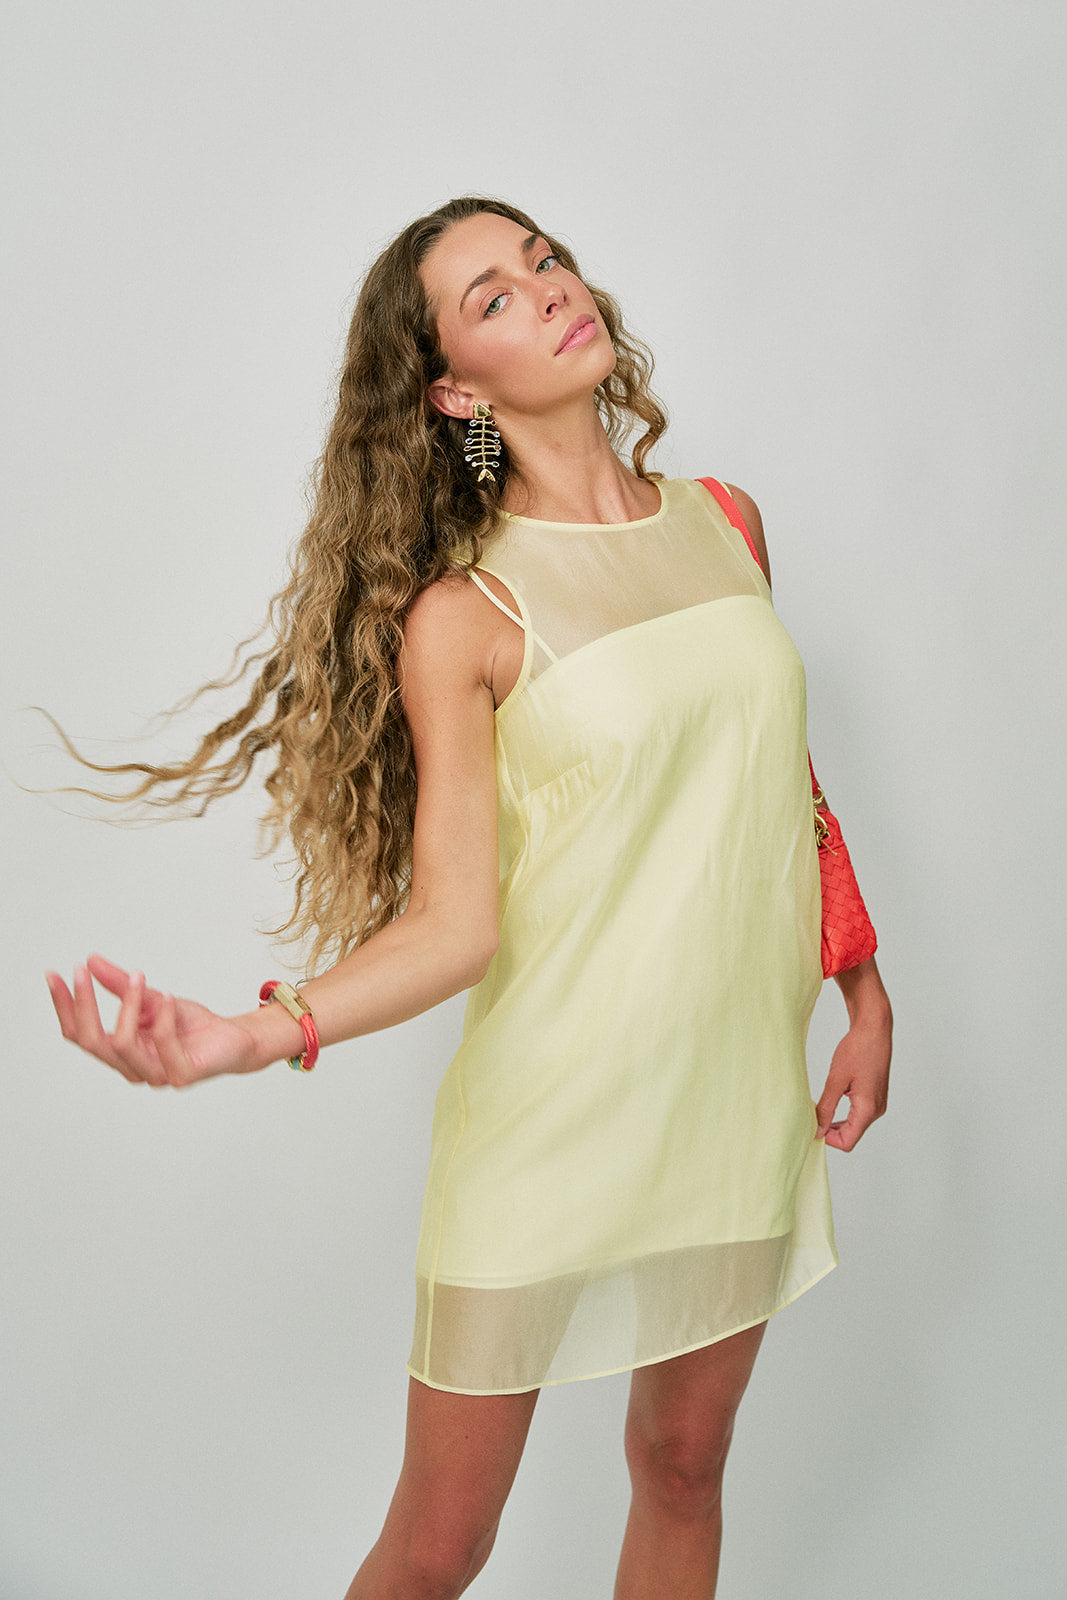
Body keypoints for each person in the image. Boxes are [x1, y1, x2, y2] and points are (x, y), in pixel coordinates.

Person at [44, 195, 893, 1599]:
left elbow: (782, 784)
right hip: (551, 1118)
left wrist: (863, 995)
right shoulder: (468, 616)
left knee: (686, 1467)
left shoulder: (727, 521)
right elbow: (455, 923)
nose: (546, 288)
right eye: (492, 295)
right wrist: (246, 1033)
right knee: (443, 1549)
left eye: (543, 259)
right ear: (451, 390)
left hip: (733, 1093)